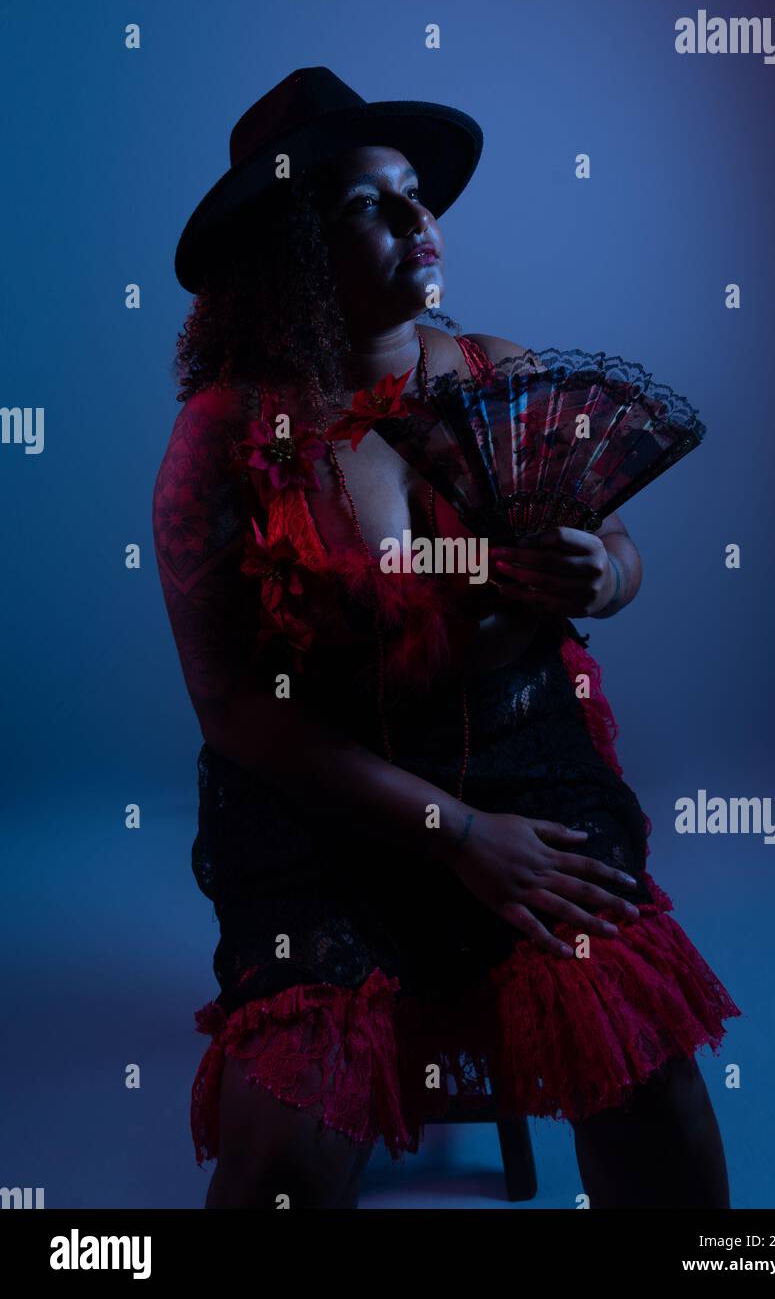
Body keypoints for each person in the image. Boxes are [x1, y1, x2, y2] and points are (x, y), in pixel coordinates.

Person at [154, 67, 741, 1210]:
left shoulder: (496, 374)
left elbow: (619, 550)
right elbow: (235, 712)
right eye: (369, 206)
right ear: (292, 249)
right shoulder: (220, 440)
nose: (422, 224)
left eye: (417, 195)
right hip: (327, 816)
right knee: (283, 1165)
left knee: (654, 1095)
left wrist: (602, 573)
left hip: (522, 765)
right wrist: (455, 831)